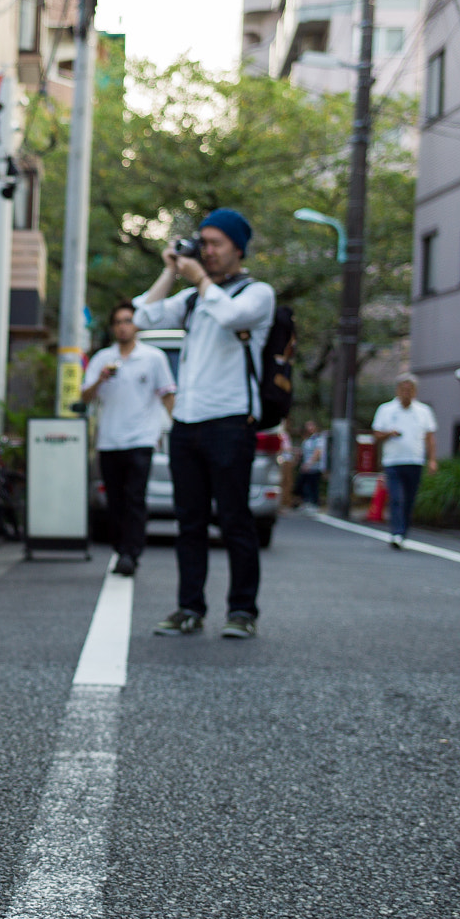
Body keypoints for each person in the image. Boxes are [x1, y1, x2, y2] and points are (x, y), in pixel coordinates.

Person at [132, 208, 276, 639]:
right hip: (187, 423)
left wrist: (198, 280)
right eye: (204, 243)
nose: (208, 251)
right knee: (189, 521)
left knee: (234, 519)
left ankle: (242, 611)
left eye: (216, 244)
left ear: (238, 249)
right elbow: (142, 317)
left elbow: (232, 318)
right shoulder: (194, 297)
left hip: (230, 422)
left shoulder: (257, 293)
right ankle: (189, 607)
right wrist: (171, 272)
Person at [81, 301, 176, 576]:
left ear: (136, 325)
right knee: (115, 500)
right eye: (118, 322)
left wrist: (177, 426)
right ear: (113, 328)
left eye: (128, 321)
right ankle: (120, 548)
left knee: (135, 498)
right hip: (109, 440)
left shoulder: (153, 357)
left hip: (142, 440)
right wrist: (100, 379)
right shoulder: (102, 359)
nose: (123, 326)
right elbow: (84, 397)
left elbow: (167, 394)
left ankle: (131, 553)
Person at [372, 373, 439, 548]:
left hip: (415, 461)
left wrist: (432, 460)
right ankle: (396, 533)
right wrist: (389, 433)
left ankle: (403, 532)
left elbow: (430, 437)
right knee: (396, 497)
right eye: (403, 389)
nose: (406, 392)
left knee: (409, 499)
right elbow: (376, 434)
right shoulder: (385, 409)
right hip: (393, 461)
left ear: (415, 391)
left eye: (410, 389)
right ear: (397, 390)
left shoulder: (424, 411)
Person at [296, 421, 327, 510]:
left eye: (311, 426)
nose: (310, 428)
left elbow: (318, 452)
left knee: (313, 484)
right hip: (306, 465)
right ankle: (306, 502)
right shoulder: (307, 439)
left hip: (314, 466)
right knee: (305, 484)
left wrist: (310, 463)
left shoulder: (318, 439)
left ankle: (314, 503)